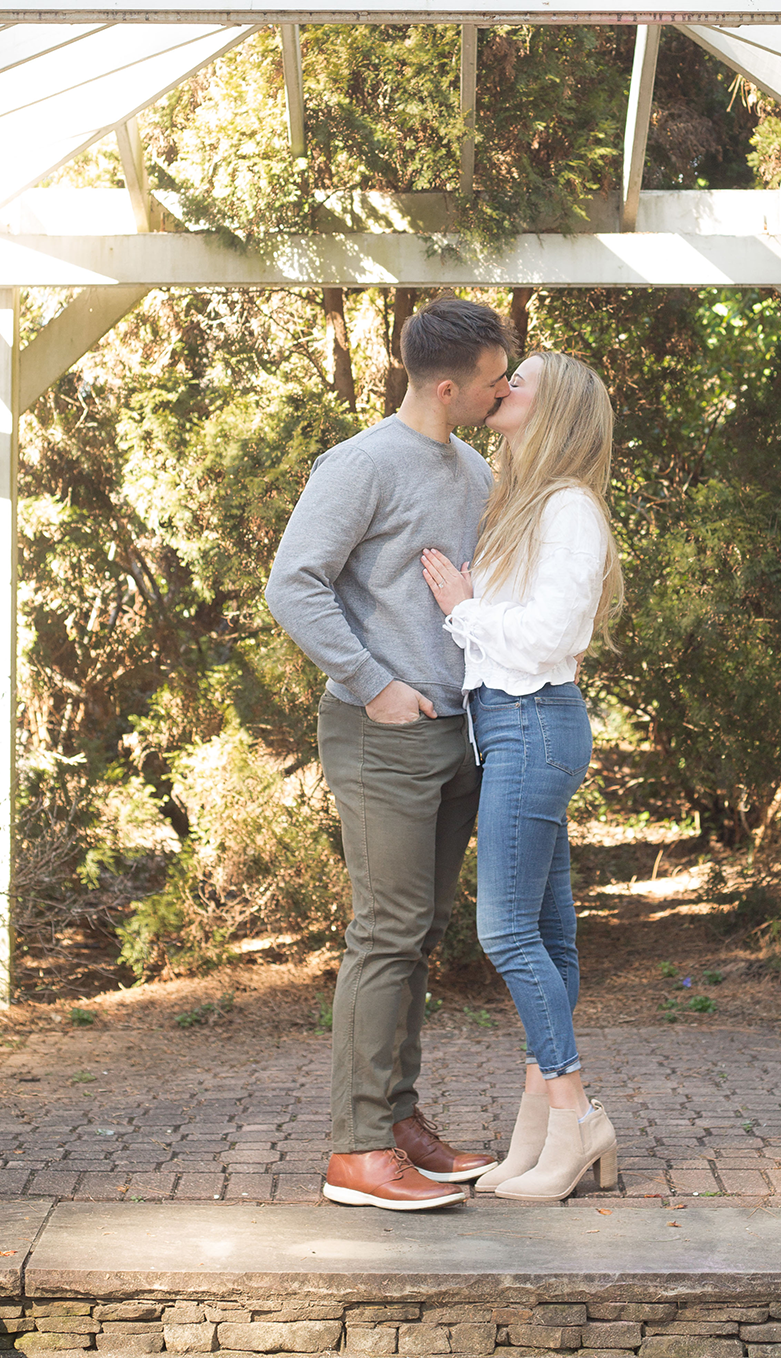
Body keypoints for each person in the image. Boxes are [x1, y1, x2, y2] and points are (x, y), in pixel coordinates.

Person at [265, 295, 517, 1211]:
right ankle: (359, 1150)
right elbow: (292, 584)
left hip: (459, 730)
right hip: (384, 729)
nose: (504, 391)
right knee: (385, 933)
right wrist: (375, 684)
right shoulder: (363, 463)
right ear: (447, 386)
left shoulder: (476, 474)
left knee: (418, 937)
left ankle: (398, 1122)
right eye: (494, 381)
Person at [421, 350, 624, 1204]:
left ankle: (578, 1119)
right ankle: (535, 1133)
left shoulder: (570, 509)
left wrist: (463, 607)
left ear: (558, 409)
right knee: (551, 937)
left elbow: (546, 635)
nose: (505, 387)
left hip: (533, 721)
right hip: (514, 724)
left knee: (505, 933)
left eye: (522, 380)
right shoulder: (524, 502)